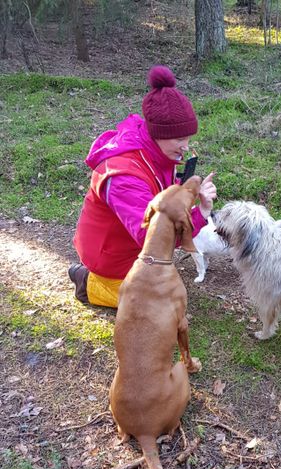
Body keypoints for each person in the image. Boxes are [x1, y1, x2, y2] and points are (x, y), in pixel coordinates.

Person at [69, 65, 217, 308]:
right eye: (180, 139)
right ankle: (87, 281)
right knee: (154, 304)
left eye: (188, 138)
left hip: (129, 241)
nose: (186, 147)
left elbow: (158, 192)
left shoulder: (155, 149)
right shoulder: (123, 175)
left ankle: (114, 281)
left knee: (169, 293)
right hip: (112, 252)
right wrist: (199, 214)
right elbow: (152, 238)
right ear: (157, 133)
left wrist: (187, 192)